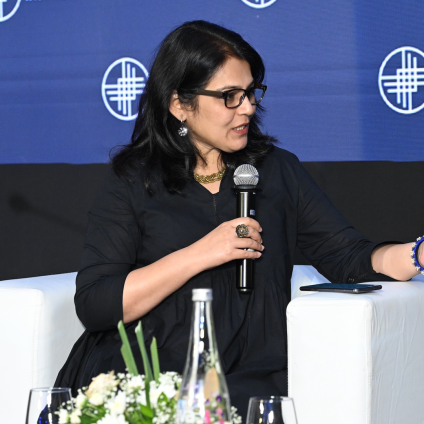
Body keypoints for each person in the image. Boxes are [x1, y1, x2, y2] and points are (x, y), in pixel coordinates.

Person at [55, 20, 424, 420]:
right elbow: (96, 304)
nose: (247, 107)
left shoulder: (279, 171)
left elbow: (350, 258)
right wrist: (201, 253)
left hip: (252, 379)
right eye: (229, 96)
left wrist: (416, 255)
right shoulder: (134, 179)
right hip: (145, 375)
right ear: (180, 103)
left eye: (250, 93)